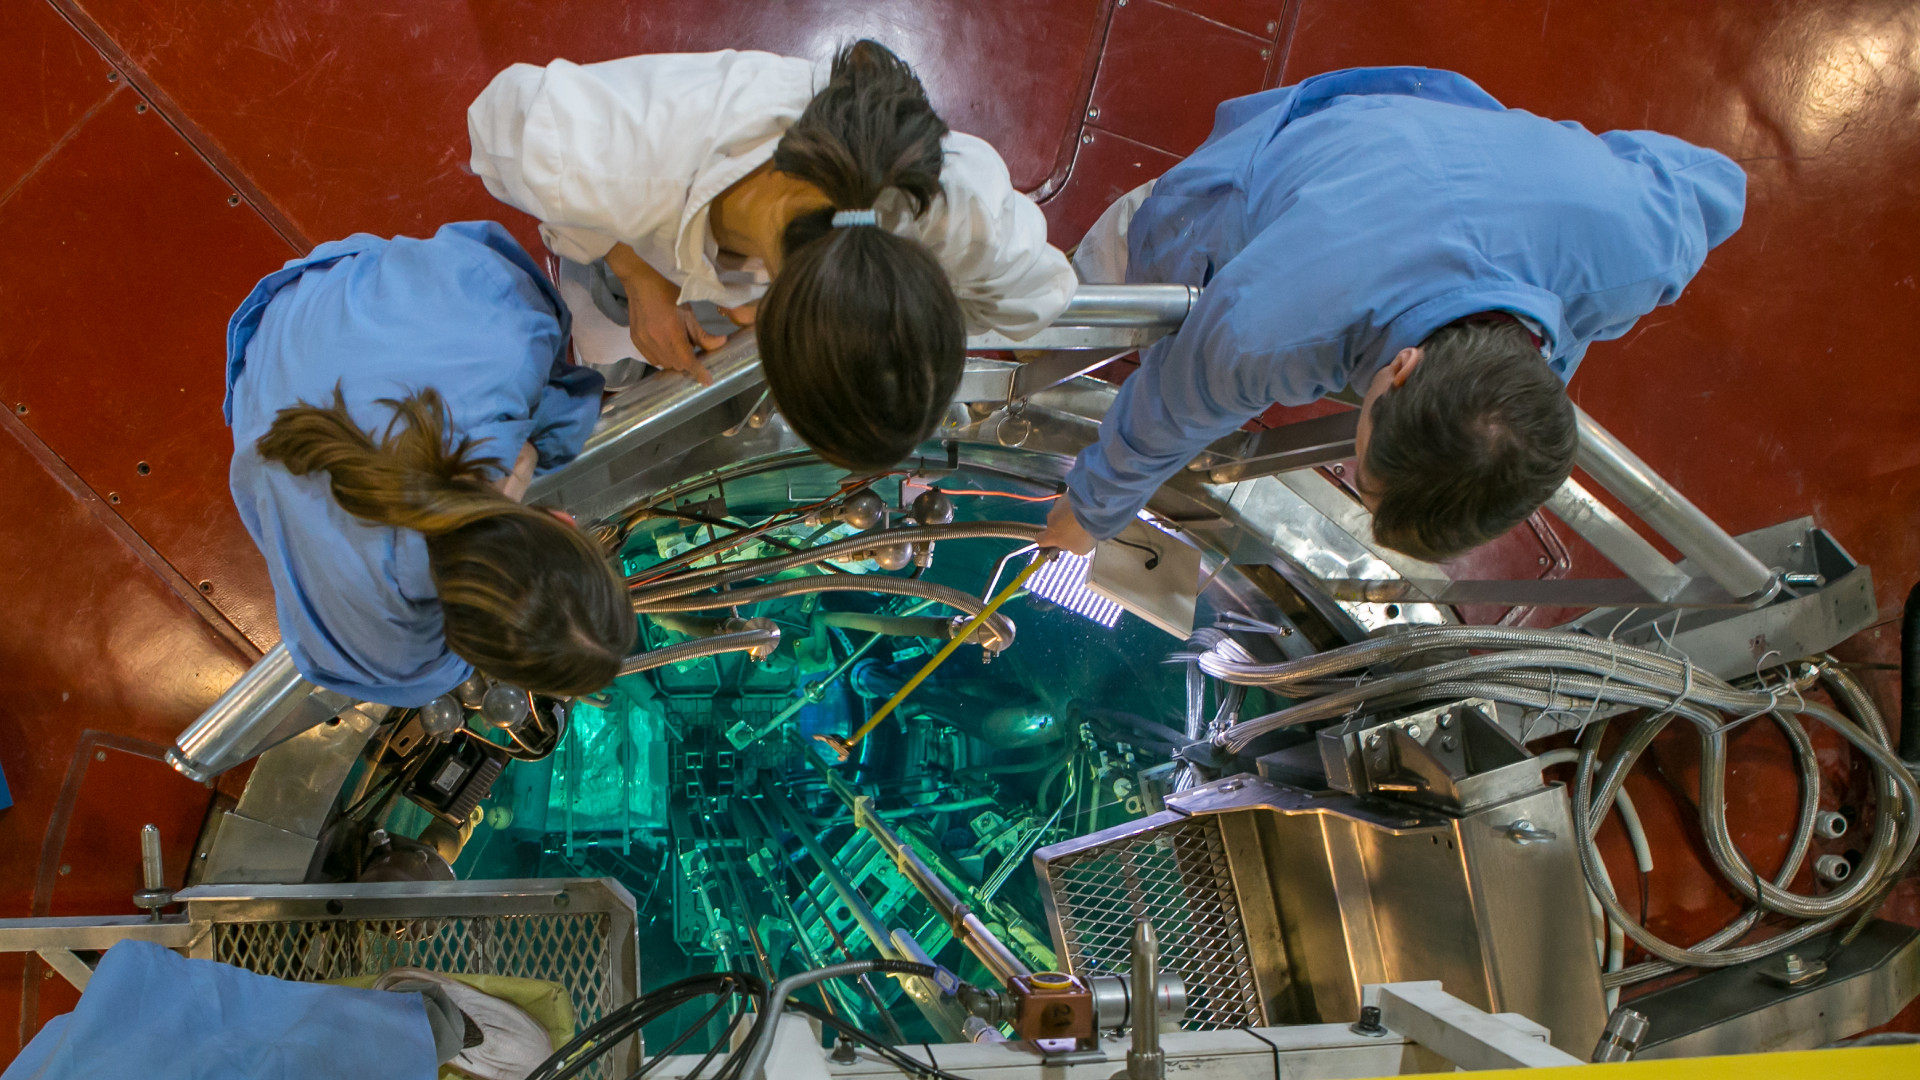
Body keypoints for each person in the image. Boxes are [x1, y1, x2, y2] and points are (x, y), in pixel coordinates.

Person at [1036, 67, 1745, 561]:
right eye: (1368, 478)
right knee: (1119, 268)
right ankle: (1048, 321)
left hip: (1421, 130)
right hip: (1275, 170)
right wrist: (1089, 511)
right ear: (1400, 369)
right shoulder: (1270, 328)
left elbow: (1718, 183)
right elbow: (1169, 410)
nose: (1355, 476)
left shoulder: (1639, 244)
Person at [467, 40, 1077, 472]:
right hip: (625, 229)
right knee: (602, 328)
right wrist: (636, 272)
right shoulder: (608, 160)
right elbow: (496, 120)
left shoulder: (955, 209)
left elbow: (1041, 292)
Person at [225, 221, 637, 707]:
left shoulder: (508, 335)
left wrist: (522, 458)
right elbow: (337, 664)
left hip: (312, 307)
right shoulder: (395, 662)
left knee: (558, 409)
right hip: (260, 383)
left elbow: (480, 256)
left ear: (564, 521)